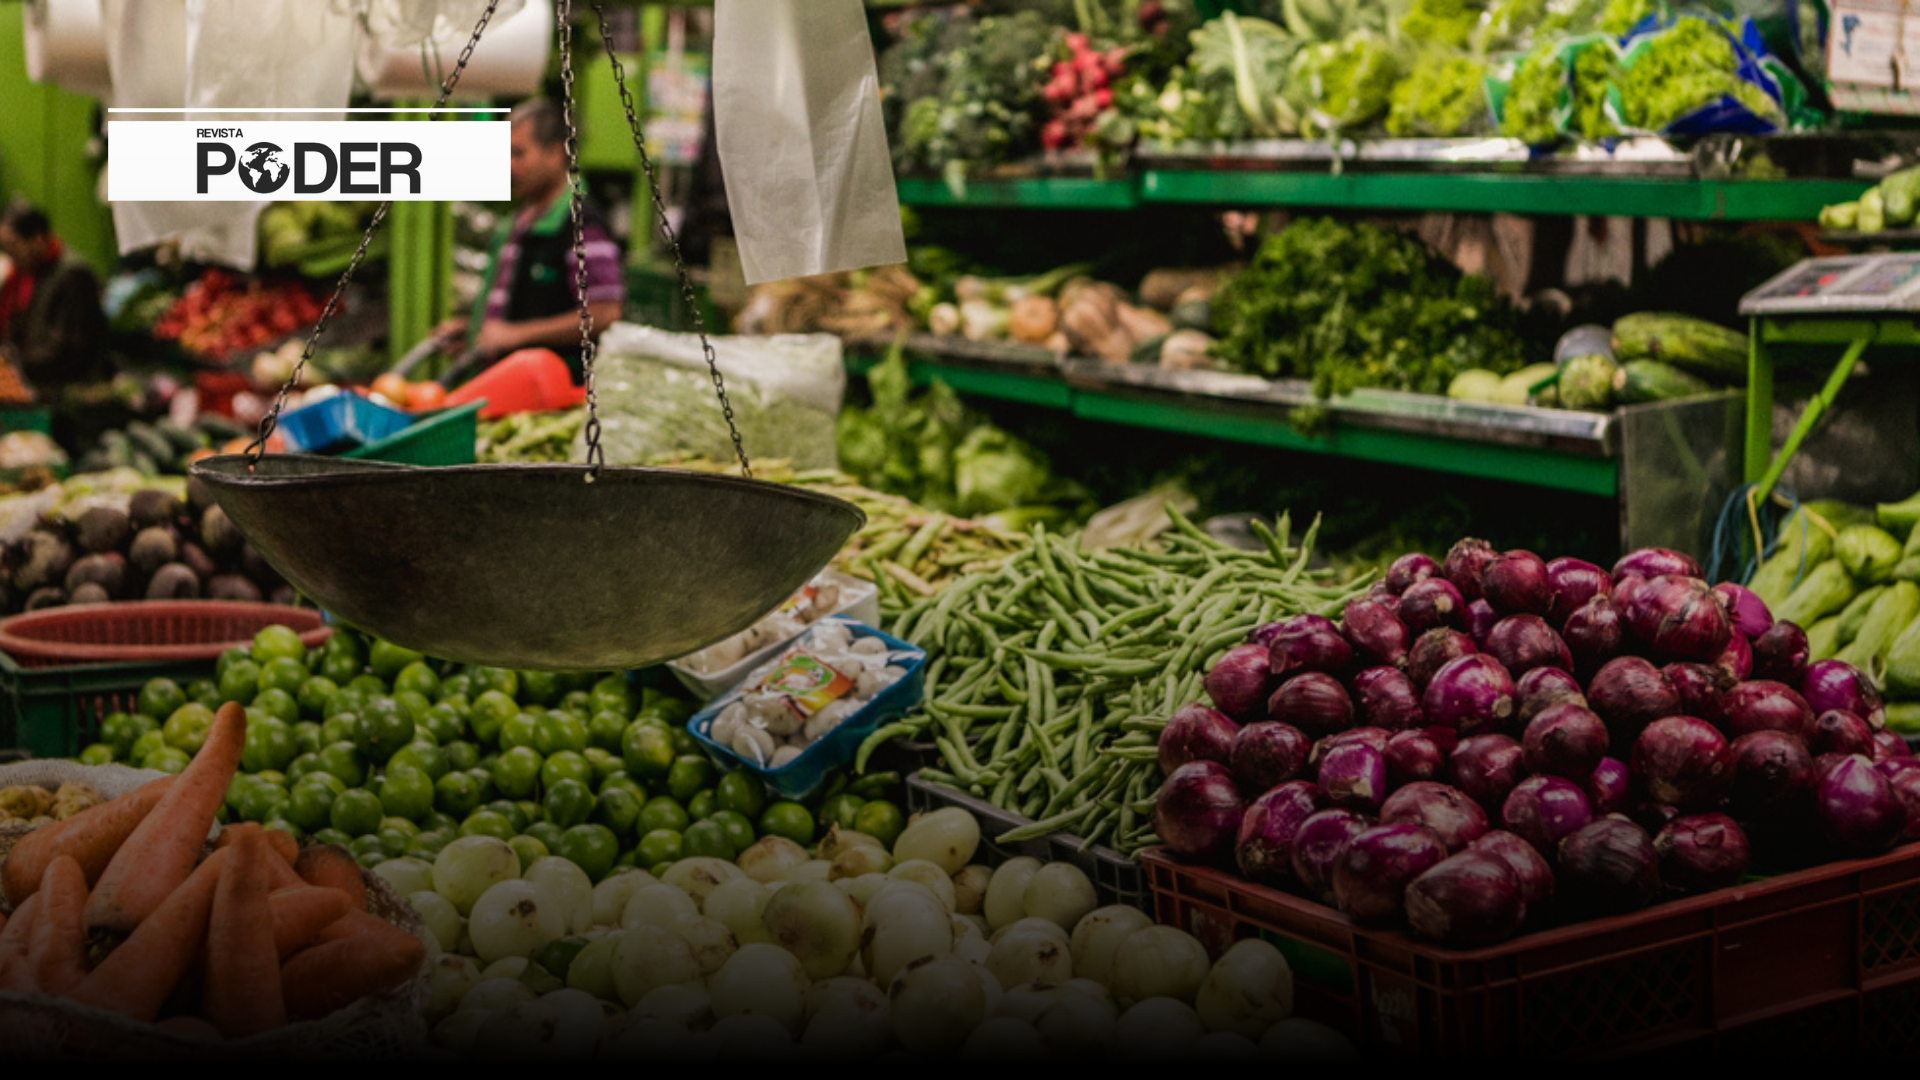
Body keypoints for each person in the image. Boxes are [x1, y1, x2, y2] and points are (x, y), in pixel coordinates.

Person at [433, 99, 626, 384]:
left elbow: (604, 312)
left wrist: (516, 335)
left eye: (518, 153)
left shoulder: (580, 223)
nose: (509, 165)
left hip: (551, 393)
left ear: (555, 154)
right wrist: (473, 331)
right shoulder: (521, 220)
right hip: (505, 386)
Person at [0, 201, 109, 391]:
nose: (11, 256)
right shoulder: (28, 276)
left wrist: (16, 365)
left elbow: (68, 350)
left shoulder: (73, 276)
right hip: (40, 388)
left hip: (69, 395)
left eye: (13, 246)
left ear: (37, 238)